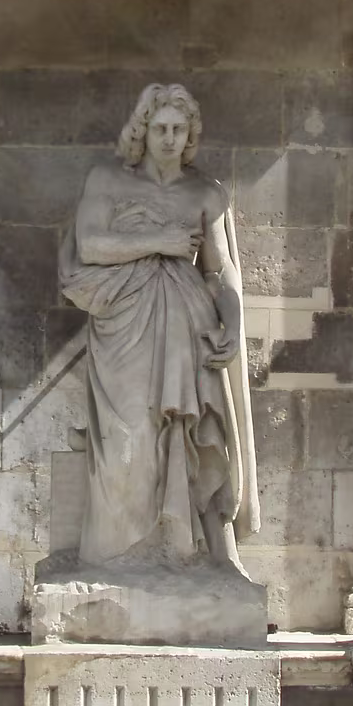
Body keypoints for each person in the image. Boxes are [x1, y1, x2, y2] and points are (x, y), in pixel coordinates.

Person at [61, 82, 260, 573]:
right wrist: (160, 240)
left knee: (192, 433)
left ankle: (193, 553)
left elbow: (220, 270)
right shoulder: (108, 180)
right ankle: (119, 561)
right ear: (143, 130)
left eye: (179, 129)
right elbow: (89, 245)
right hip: (123, 326)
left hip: (188, 326)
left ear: (191, 135)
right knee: (126, 445)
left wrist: (234, 320)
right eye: (161, 128)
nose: (170, 138)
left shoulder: (206, 192)